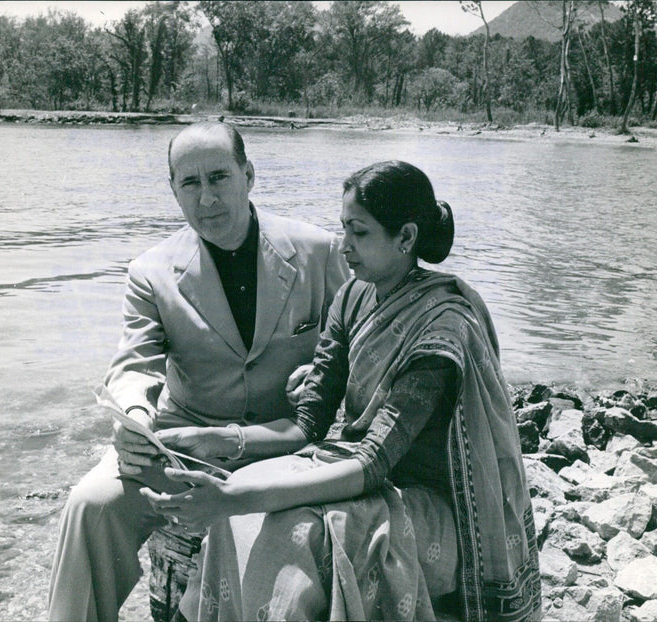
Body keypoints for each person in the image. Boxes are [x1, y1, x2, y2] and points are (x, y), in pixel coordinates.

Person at [147, 160, 542, 621]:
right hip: (358, 474)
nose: (343, 246)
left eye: (358, 233)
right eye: (342, 229)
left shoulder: (442, 327)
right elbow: (308, 424)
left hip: (430, 509)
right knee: (240, 495)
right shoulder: (353, 297)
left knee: (295, 532)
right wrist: (223, 440)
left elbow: (374, 461)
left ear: (406, 237)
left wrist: (233, 498)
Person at [48, 121, 348, 622]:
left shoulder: (320, 252)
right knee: (90, 505)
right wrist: (137, 418)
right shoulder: (151, 270)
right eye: (190, 183)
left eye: (218, 177)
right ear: (173, 191)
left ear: (248, 175)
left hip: (287, 446)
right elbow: (133, 364)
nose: (206, 197)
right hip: (182, 447)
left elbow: (359, 346)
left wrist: (324, 373)